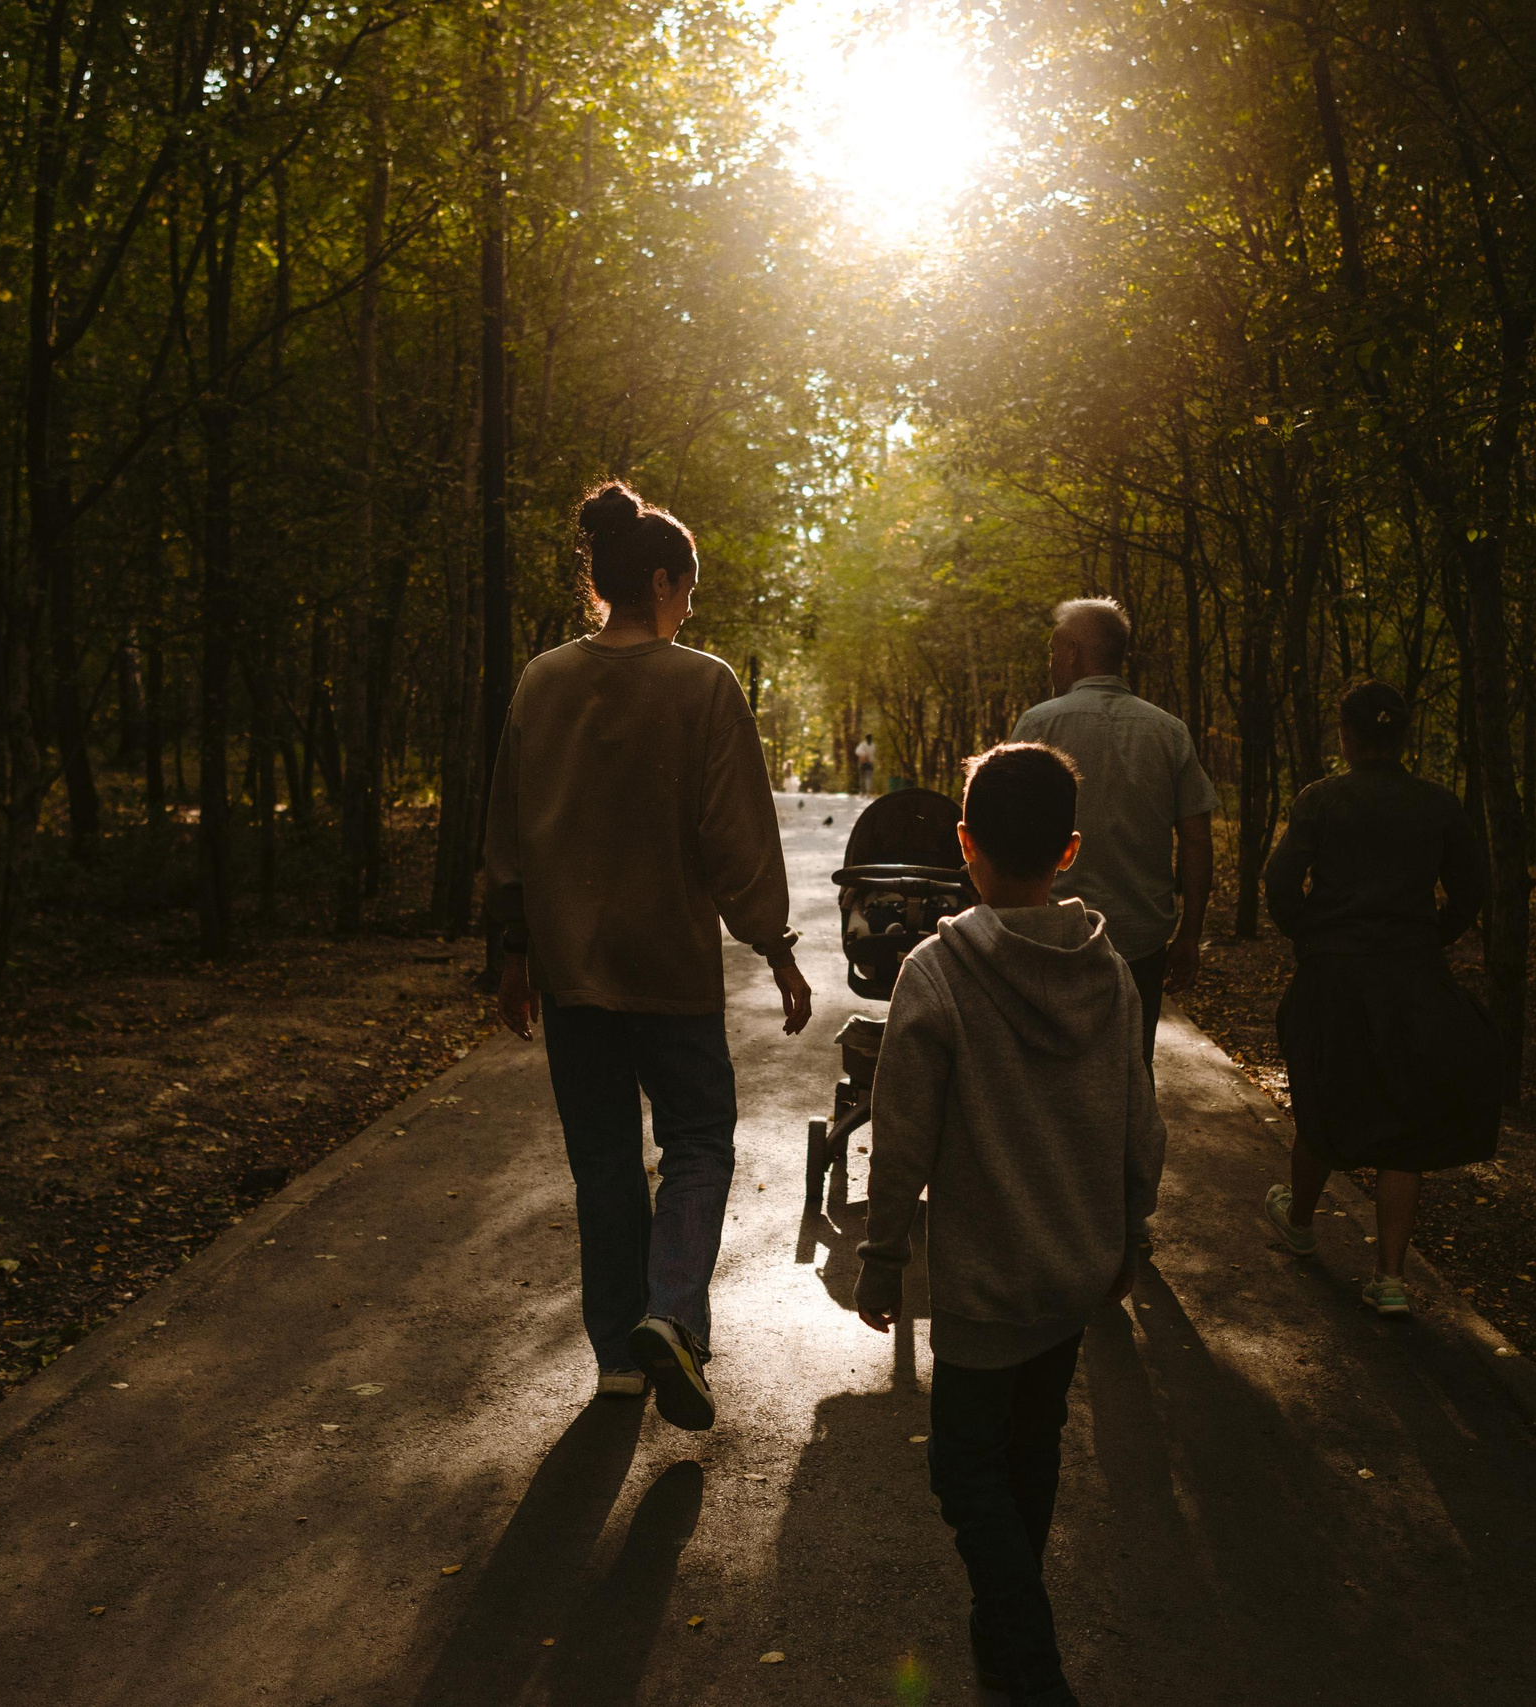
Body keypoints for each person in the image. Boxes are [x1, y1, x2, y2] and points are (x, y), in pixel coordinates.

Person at [485, 479, 814, 1430]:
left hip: (572, 974)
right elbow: (736, 839)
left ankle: (617, 1360)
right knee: (701, 1142)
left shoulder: (541, 682)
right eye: (689, 588)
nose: (691, 608)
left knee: (602, 1164)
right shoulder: (703, 684)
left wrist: (513, 955)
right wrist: (776, 948)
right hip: (670, 970)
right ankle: (671, 1312)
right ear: (662, 580)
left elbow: (507, 832)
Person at [856, 742, 1166, 1707]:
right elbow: (1138, 1120)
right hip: (1074, 1270)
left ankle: (1030, 1658)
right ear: (1068, 850)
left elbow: (902, 1134)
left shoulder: (937, 972)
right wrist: (1131, 1233)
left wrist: (883, 1252)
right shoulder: (1108, 969)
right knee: (1033, 1452)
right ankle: (1004, 1641)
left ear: (964, 846)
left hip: (988, 1281)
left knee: (962, 1469)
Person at [1259, 680, 1501, 1317]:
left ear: (1345, 735)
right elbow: (1472, 887)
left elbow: (1281, 881)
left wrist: (1311, 932)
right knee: (1406, 1114)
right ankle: (1389, 1277)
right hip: (1412, 976)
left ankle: (1301, 1221)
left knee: (1322, 1089)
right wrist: (1430, 937)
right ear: (1403, 737)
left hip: (1334, 974)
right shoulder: (1438, 805)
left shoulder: (1321, 800)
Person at [1010, 598, 1218, 1060]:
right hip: (1139, 945)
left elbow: (1006, 826)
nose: (1051, 661)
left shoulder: (1040, 724)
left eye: (1053, 650)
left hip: (1050, 940)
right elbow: (1197, 838)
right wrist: (1188, 934)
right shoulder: (1169, 731)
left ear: (1073, 654)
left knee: (1043, 1070)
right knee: (1128, 1069)